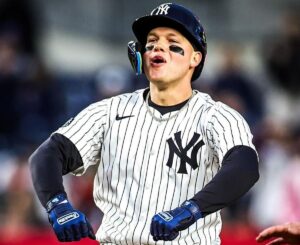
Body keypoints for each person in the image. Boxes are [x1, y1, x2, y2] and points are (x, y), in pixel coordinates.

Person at [29, 3, 259, 244]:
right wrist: (58, 205)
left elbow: (244, 167)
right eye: (151, 43)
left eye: (172, 43)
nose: (158, 47)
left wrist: (191, 209)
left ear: (195, 58)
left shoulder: (216, 116)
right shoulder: (109, 111)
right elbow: (47, 154)